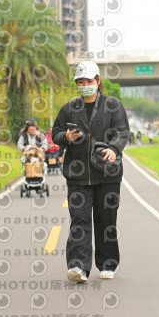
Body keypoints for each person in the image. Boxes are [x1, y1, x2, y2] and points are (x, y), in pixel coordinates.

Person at [52, 61, 130, 283]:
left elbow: (122, 132)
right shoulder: (69, 108)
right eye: (81, 82)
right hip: (77, 175)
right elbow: (56, 133)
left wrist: (114, 149)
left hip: (108, 174)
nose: (85, 85)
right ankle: (78, 266)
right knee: (79, 221)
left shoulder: (113, 106)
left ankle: (107, 265)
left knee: (106, 220)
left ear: (98, 81)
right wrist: (66, 137)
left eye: (89, 81)